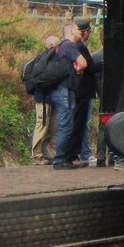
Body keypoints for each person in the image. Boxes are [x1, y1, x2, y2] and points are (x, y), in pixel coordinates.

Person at [51, 22, 88, 169]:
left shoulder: (63, 47)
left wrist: (78, 69)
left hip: (64, 89)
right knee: (66, 124)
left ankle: (64, 158)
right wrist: (79, 68)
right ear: (72, 31)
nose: (82, 32)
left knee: (67, 123)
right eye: (78, 30)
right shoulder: (69, 46)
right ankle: (60, 160)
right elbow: (83, 63)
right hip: (64, 90)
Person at [70, 17, 100, 165]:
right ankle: (76, 154)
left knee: (78, 122)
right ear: (85, 32)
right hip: (83, 90)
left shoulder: (71, 45)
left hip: (77, 89)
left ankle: (77, 153)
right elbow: (91, 67)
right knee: (80, 122)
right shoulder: (80, 46)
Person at [30, 34, 61, 164]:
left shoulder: (43, 58)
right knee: (42, 125)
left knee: (49, 126)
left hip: (48, 98)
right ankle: (37, 155)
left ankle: (45, 153)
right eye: (58, 46)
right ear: (52, 46)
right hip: (43, 99)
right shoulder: (46, 59)